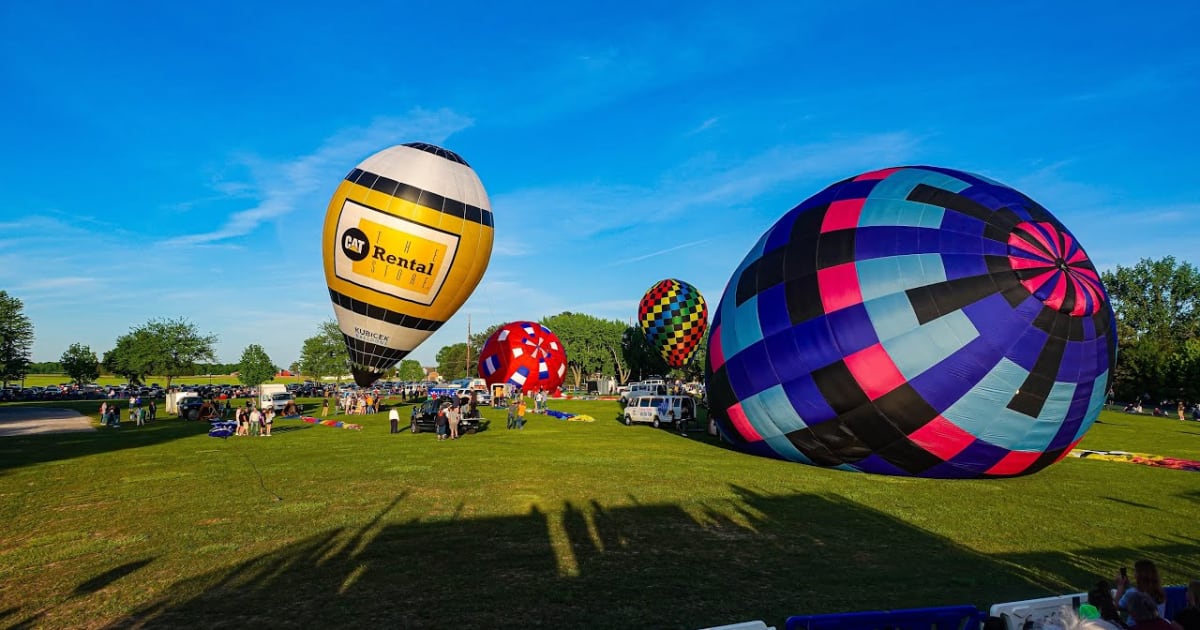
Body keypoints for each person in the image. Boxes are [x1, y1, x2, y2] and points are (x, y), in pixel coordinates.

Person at [1118, 561, 1168, 625]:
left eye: (1135, 571)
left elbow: (1117, 607)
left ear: (1139, 575)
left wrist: (1120, 586)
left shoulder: (1132, 593)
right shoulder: (1160, 593)